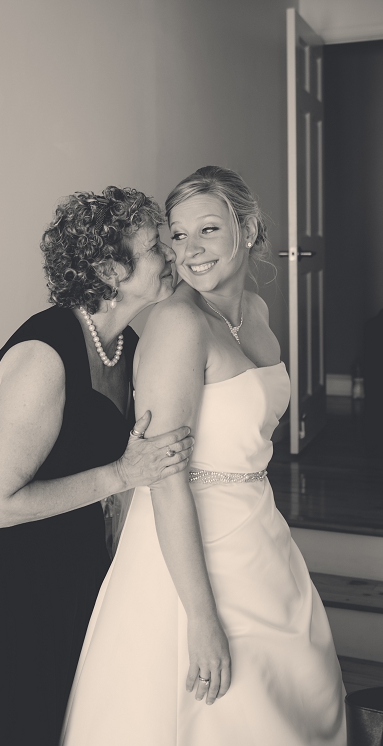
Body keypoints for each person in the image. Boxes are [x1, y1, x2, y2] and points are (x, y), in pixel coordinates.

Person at [0, 187, 196, 744]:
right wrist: (122, 475)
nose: (171, 254)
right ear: (110, 269)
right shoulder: (45, 357)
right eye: (156, 247)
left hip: (67, 562)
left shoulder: (126, 345)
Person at [60, 166, 347, 745]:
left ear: (248, 229)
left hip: (257, 528)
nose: (189, 250)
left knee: (296, 693)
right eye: (178, 235)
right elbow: (166, 479)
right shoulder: (177, 323)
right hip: (188, 544)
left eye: (208, 229)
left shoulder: (256, 312)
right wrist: (201, 617)